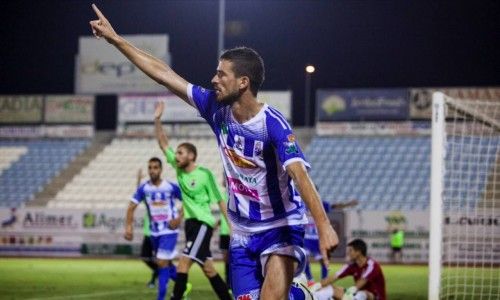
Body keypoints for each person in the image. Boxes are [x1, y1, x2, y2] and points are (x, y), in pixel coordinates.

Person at [90, 6, 339, 299]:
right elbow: (164, 74)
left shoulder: (273, 124)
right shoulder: (214, 108)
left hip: (280, 227)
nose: (213, 79)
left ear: (243, 82)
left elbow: (299, 175)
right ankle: (304, 296)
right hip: (242, 233)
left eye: (222, 74)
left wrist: (323, 226)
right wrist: (116, 40)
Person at [154, 102, 231, 300]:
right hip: (190, 225)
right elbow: (163, 144)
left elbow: (221, 201)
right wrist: (157, 120)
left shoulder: (205, 174)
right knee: (209, 269)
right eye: (177, 153)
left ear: (192, 156)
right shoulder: (179, 170)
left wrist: (232, 226)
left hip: (203, 224)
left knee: (183, 262)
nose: (177, 156)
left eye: (181, 153)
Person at [125, 158, 183, 300]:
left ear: (161, 169)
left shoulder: (170, 186)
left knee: (161, 262)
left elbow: (188, 201)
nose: (152, 170)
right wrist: (128, 227)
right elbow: (131, 207)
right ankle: (183, 285)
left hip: (169, 231)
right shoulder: (144, 188)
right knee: (164, 263)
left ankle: (161, 298)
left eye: (155, 167)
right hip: (154, 232)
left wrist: (179, 218)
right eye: (150, 167)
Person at [304, 199, 359, 286]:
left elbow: (334, 206)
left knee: (323, 260)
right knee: (304, 259)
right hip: (306, 238)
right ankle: (310, 279)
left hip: (318, 238)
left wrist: (348, 204)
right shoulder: (302, 204)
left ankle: (324, 280)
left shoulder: (321, 204)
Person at [312, 239, 386, 300]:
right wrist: (316, 286)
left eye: (350, 250)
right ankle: (313, 296)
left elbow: (362, 281)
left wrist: (348, 293)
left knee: (363, 294)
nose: (348, 253)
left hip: (375, 297)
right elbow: (333, 277)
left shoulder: (372, 265)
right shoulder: (351, 265)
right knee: (331, 288)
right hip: (357, 294)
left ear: (358, 252)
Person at [136, 168, 159, 288]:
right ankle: (158, 272)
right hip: (148, 233)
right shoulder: (148, 201)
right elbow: (139, 193)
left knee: (161, 260)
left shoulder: (162, 202)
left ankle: (153, 280)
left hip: (159, 233)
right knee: (145, 257)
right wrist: (139, 180)